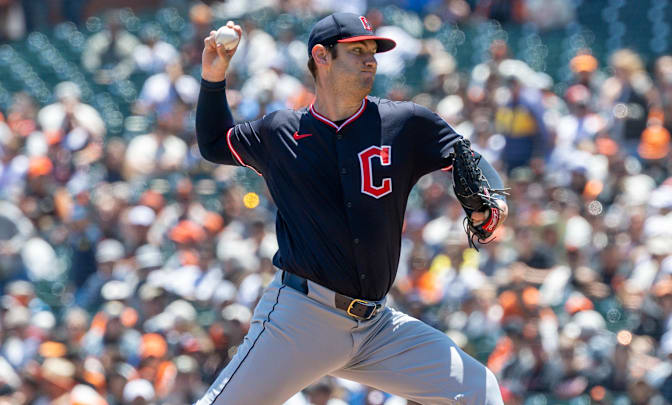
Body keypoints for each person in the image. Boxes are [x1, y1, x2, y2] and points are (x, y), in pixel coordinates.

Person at [194, 13, 508, 405]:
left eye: (373, 51)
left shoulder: (404, 122)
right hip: (302, 319)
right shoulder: (280, 132)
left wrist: (497, 206)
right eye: (357, 50)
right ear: (321, 57)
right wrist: (214, 77)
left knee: (480, 392)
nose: (370, 60)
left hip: (377, 326)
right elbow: (214, 143)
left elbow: (471, 161)